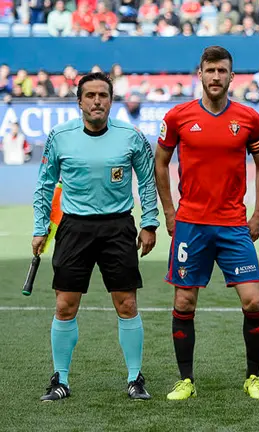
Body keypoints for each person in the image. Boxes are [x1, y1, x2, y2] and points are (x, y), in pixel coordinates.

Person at [32, 72, 159, 401]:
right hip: (74, 229)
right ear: (79, 102)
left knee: (127, 303)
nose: (97, 101)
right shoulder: (60, 137)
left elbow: (147, 181)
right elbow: (45, 184)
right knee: (65, 305)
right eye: (90, 95)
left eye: (103, 95)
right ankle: (60, 379)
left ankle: (135, 378)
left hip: (118, 227)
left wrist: (149, 223)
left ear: (111, 100)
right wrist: (39, 226)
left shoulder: (131, 136)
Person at [155, 46, 259, 401]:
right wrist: (170, 212)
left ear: (232, 76)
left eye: (223, 71)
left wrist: (258, 214)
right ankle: (185, 380)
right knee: (185, 302)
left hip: (234, 225)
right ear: (200, 74)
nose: (216, 77)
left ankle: (253, 377)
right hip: (191, 224)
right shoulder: (177, 117)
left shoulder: (249, 119)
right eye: (210, 71)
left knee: (253, 301)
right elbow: (159, 163)